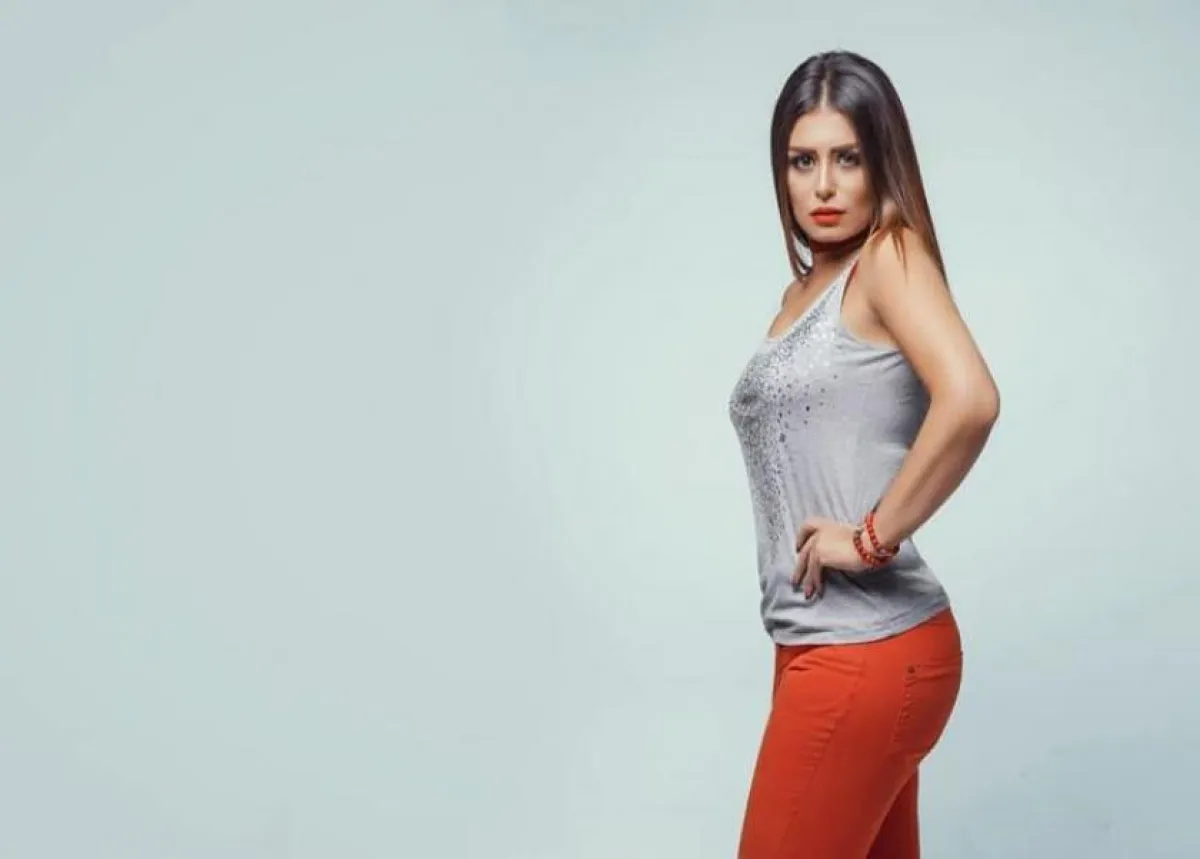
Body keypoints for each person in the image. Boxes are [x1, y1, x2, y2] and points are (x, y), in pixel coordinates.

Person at [727, 50, 1000, 859]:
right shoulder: (803, 295)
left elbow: (971, 398)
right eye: (801, 161)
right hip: (817, 645)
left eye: (846, 158)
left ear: (882, 160)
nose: (823, 185)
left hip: (867, 649)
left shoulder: (888, 257)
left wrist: (871, 537)